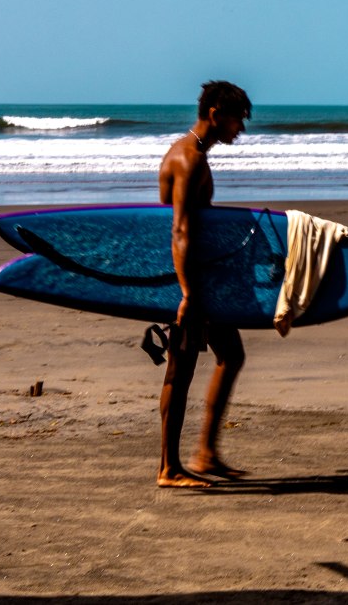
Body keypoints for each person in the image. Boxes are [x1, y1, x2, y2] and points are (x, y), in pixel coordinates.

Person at [156, 80, 253, 487]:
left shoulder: (195, 153)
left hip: (202, 280)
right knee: (180, 370)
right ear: (216, 114)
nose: (240, 130)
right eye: (237, 120)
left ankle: (207, 453)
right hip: (188, 282)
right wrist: (188, 294)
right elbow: (179, 229)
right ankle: (168, 468)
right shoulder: (189, 158)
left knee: (231, 354)